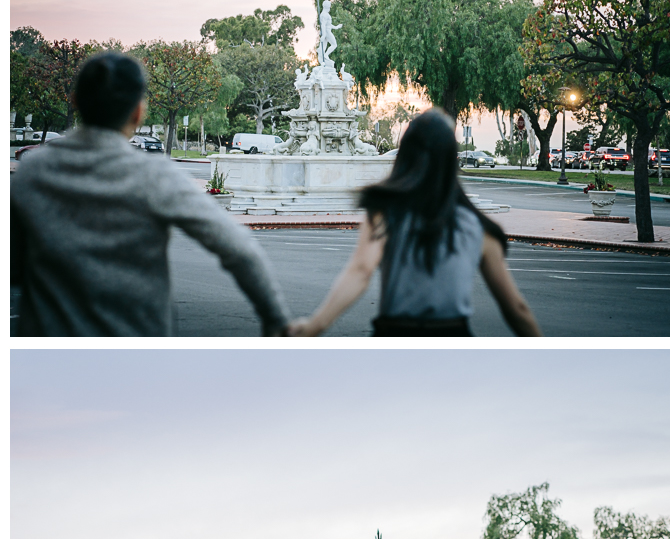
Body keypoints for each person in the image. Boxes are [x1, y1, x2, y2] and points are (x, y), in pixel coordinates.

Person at [10, 52, 290, 337]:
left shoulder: (33, 172)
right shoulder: (154, 175)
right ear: (137, 112)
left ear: (76, 101)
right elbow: (240, 249)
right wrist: (276, 320)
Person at [287, 109, 542, 337]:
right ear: (450, 158)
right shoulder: (480, 228)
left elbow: (361, 271)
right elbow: (515, 308)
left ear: (405, 154)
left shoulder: (385, 212)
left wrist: (314, 326)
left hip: (395, 334)